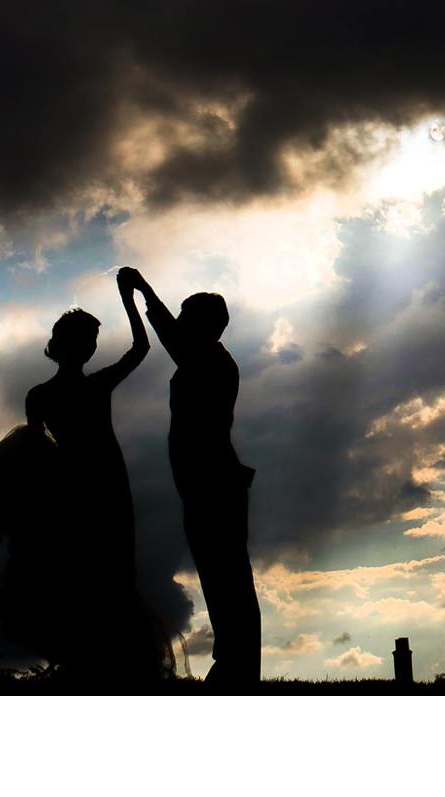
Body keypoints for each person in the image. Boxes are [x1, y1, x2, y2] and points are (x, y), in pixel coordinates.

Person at [19, 272, 170, 684]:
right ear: (74, 345)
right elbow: (141, 346)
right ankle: (103, 665)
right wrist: (130, 296)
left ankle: (100, 664)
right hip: (92, 482)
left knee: (100, 571)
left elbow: (33, 451)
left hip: (86, 482)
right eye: (88, 340)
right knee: (98, 571)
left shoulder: (42, 394)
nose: (92, 346)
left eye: (93, 340)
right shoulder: (88, 386)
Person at [122, 268, 260, 689]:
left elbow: (172, 338)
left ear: (205, 324)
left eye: (186, 315)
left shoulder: (209, 359)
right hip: (204, 481)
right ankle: (234, 667)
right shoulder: (206, 357)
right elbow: (176, 339)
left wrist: (146, 290)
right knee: (221, 574)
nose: (179, 321)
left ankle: (236, 670)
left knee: (226, 575)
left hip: (213, 481)